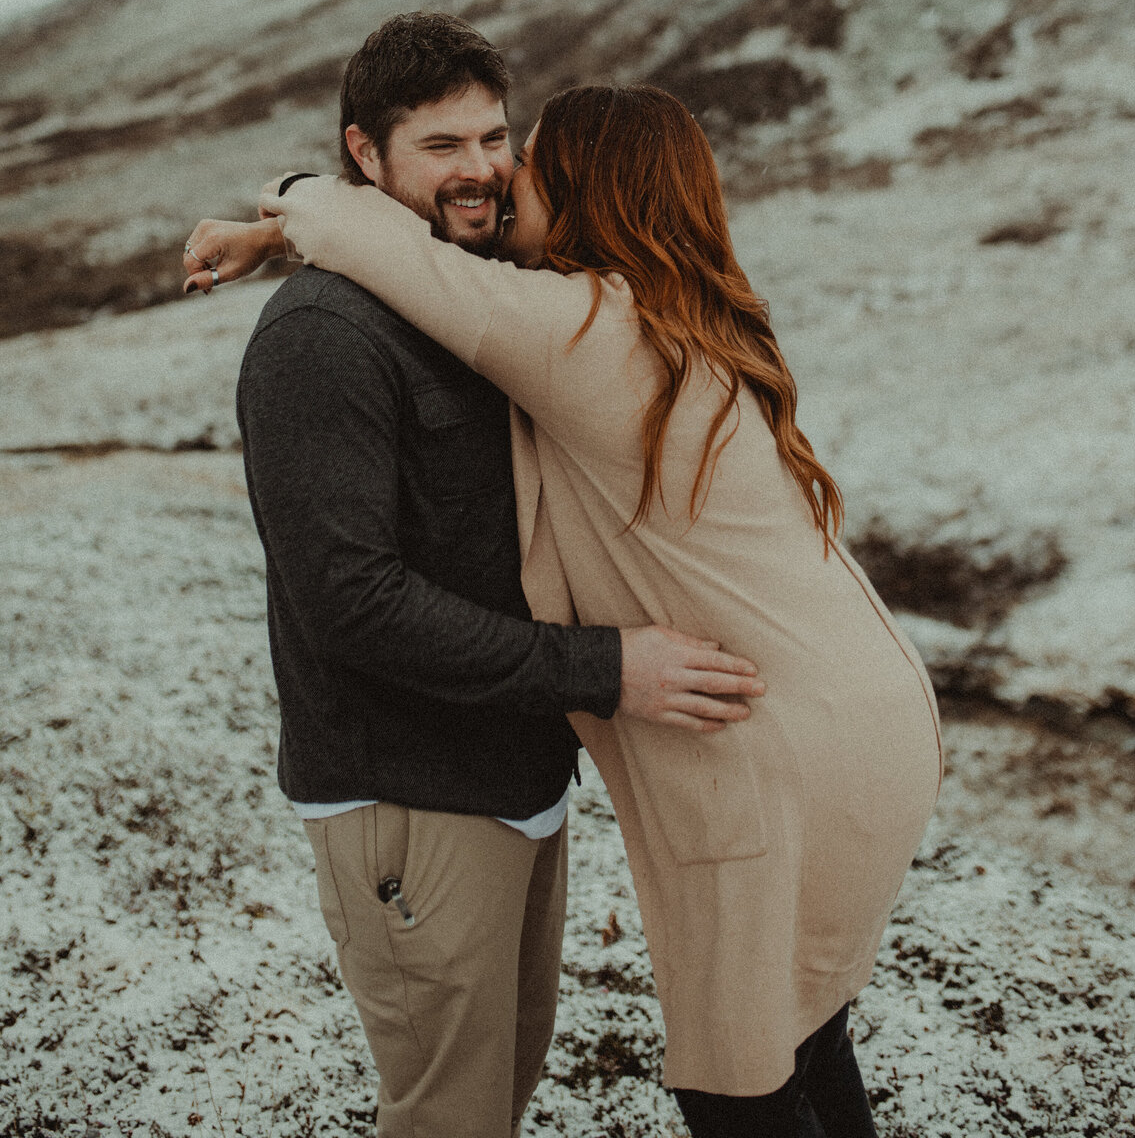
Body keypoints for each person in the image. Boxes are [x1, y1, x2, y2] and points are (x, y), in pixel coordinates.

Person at [190, 78, 943, 1138]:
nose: (502, 181)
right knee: (806, 1031)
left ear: (585, 192)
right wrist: (274, 242)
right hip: (870, 718)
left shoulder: (580, 330)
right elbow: (418, 262)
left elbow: (377, 238)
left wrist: (284, 206)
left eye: (524, 158)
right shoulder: (679, 309)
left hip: (772, 745)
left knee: (736, 1088)